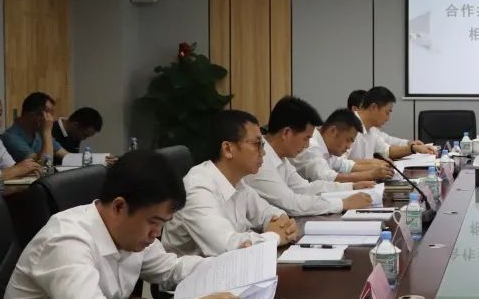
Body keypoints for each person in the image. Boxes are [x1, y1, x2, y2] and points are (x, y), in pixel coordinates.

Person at [0, 150, 241, 299]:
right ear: (119, 206)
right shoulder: (66, 240)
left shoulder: (130, 231)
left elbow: (171, 269)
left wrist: (231, 265)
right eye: (153, 222)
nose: (157, 233)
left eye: (162, 224)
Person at [163, 110, 299, 257]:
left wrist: (283, 223)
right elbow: (227, 247)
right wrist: (275, 236)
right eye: (257, 144)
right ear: (228, 149)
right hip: (199, 270)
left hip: (233, 267)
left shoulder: (237, 182)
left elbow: (266, 212)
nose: (263, 152)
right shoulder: (197, 188)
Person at [245, 96, 375, 216]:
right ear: (286, 133)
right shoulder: (259, 160)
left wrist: (351, 187)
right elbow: (292, 204)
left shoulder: (281, 158)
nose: (307, 145)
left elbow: (305, 188)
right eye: (306, 138)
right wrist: (343, 203)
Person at [291, 108, 391, 184]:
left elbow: (344, 165)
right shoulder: (312, 147)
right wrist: (369, 175)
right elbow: (326, 178)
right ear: (333, 131)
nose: (349, 146)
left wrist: (377, 167)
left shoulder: (327, 147)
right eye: (348, 140)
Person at [345, 87, 436, 161]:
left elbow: (387, 151)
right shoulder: (347, 126)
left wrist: (413, 148)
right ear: (374, 107)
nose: (388, 118)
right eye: (387, 112)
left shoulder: (372, 130)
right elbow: (340, 165)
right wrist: (371, 165)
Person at [0, 91, 66, 164]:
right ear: (32, 114)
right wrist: (47, 133)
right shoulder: (10, 137)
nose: (50, 119)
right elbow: (44, 165)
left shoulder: (39, 133)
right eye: (47, 113)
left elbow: (65, 155)